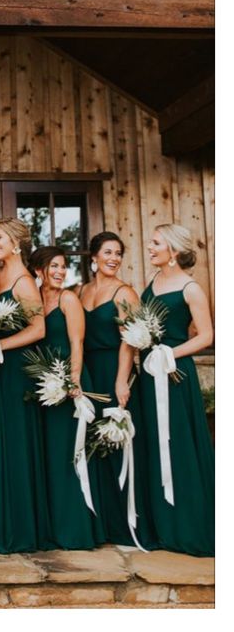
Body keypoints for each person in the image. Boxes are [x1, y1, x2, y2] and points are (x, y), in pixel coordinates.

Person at [132, 224, 214, 556]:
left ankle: (189, 527)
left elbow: (206, 335)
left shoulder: (191, 288)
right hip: (149, 376)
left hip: (175, 375)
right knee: (153, 443)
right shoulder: (151, 284)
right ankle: (162, 527)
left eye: (155, 243)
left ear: (174, 251)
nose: (149, 247)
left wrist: (169, 353)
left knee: (178, 445)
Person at [0, 218, 51, 552]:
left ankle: (20, 527)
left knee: (15, 441)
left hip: (15, 368)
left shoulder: (23, 282)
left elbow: (39, 329)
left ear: (17, 243)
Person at [80, 231, 154, 549]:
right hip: (90, 373)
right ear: (93, 257)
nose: (114, 258)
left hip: (115, 369)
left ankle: (128, 523)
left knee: (118, 442)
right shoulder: (82, 291)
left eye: (118, 253)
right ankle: (103, 523)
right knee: (93, 444)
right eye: (108, 252)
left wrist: (122, 380)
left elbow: (131, 340)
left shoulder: (125, 293)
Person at [29, 245, 104, 549]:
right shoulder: (35, 300)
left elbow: (77, 342)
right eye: (54, 267)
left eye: (63, 267)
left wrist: (74, 381)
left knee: (68, 455)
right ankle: (51, 527)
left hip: (68, 384)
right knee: (48, 455)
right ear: (39, 271)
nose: (60, 272)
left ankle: (75, 529)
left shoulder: (68, 299)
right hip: (43, 385)